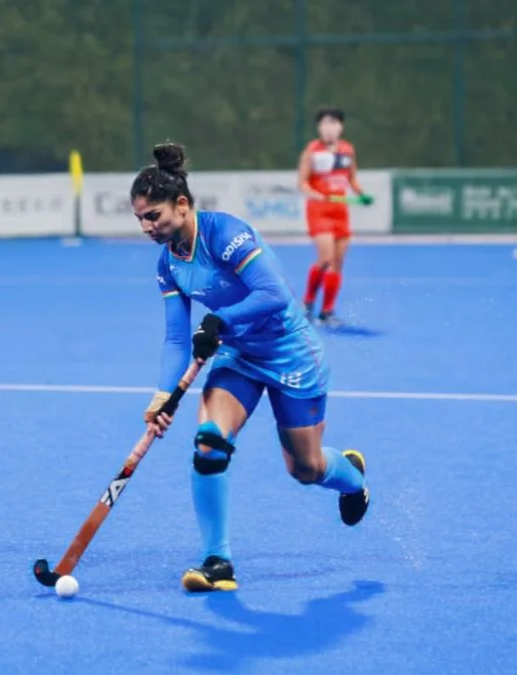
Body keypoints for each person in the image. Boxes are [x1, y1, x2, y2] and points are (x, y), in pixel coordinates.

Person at [135, 142, 370, 593]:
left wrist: (221, 320)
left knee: (306, 469)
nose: (147, 226)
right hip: (238, 357)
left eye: (153, 215)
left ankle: (352, 477)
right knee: (209, 443)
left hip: (289, 353)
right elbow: (177, 337)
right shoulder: (168, 264)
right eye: (140, 219)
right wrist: (164, 396)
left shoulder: (225, 234)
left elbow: (273, 294)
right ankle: (217, 561)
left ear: (181, 206)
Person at [297, 107, 372, 328]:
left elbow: (352, 180)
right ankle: (308, 302)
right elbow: (302, 183)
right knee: (325, 259)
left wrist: (361, 194)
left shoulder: (348, 150)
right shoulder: (311, 151)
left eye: (334, 123)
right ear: (319, 127)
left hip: (341, 211)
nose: (330, 128)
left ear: (341, 126)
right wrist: (316, 193)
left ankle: (327, 312)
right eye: (325, 124)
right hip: (320, 211)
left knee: (338, 263)